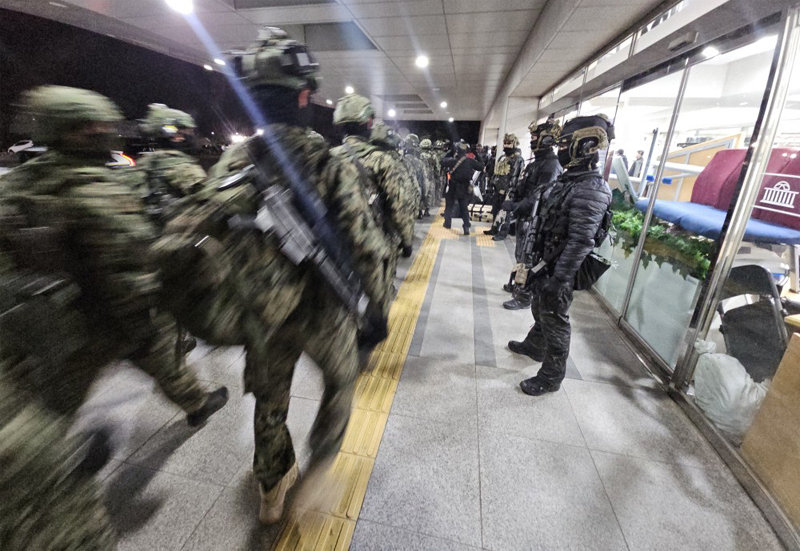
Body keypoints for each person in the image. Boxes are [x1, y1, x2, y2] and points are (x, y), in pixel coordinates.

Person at [155, 27, 392, 524]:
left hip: (264, 310)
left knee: (270, 400)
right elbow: (369, 248)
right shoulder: (329, 163)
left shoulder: (235, 159)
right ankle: (321, 467)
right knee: (342, 381)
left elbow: (196, 222)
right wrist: (377, 311)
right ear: (305, 96)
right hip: (325, 308)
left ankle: (271, 488)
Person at [0, 85, 228, 425]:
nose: (106, 133)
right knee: (155, 346)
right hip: (101, 317)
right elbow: (132, 274)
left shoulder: (17, 184)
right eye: (97, 127)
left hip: (46, 319)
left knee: (49, 405)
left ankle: (195, 402)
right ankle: (195, 404)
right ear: (75, 132)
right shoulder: (94, 190)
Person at [508, 114, 614, 396]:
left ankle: (551, 376)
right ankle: (534, 345)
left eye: (567, 144)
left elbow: (581, 241)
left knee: (555, 318)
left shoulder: (592, 188)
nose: (561, 149)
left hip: (560, 268)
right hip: (545, 263)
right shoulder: (569, 181)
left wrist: (560, 279)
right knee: (539, 308)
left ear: (586, 146)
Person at [331, 94, 416, 278]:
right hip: (374, 246)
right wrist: (406, 240)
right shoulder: (382, 160)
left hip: (335, 245)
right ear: (368, 123)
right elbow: (399, 206)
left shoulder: (327, 157)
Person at [501, 118, 563, 310]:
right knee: (521, 255)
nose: (532, 140)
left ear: (546, 140)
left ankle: (524, 296)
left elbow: (540, 196)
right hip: (526, 216)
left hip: (534, 219)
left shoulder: (550, 165)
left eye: (536, 137)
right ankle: (518, 285)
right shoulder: (537, 163)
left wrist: (516, 207)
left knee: (528, 258)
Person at [484, 133, 524, 240]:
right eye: (505, 143)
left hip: (508, 191)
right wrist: (492, 184)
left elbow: (516, 176)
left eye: (509, 143)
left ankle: (502, 233)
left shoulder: (518, 159)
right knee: (496, 210)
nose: (506, 145)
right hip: (497, 190)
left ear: (514, 144)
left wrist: (511, 191)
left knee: (505, 213)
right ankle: (494, 228)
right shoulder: (502, 157)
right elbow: (496, 173)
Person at [442, 142, 483, 235]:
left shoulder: (452, 161)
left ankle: (447, 223)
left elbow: (442, 161)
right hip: (464, 187)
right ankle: (466, 226)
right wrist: (476, 153)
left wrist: (450, 151)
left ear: (457, 150)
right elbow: (481, 166)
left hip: (453, 186)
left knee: (449, 205)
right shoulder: (470, 161)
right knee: (464, 208)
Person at [403, 133, 432, 218]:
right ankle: (419, 212)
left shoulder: (400, 160)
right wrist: (425, 195)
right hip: (416, 190)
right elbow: (424, 181)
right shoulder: (419, 162)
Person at [419, 138, 441, 208]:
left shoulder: (419, 155)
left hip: (420, 176)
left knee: (420, 191)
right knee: (429, 193)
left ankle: (419, 210)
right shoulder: (433, 156)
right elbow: (436, 167)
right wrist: (437, 175)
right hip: (429, 176)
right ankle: (427, 209)